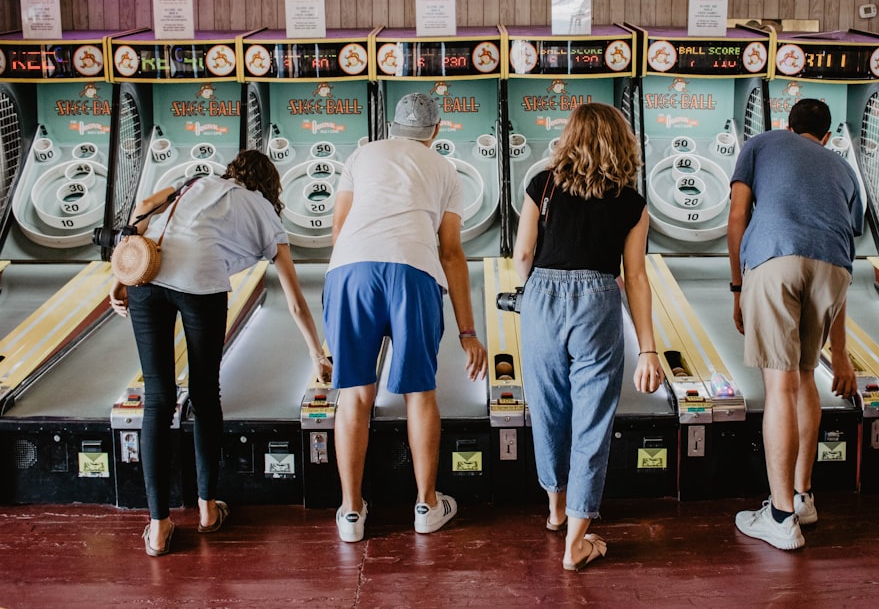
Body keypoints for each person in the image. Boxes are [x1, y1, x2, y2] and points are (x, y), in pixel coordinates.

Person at [109, 150, 332, 557]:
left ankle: (158, 528)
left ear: (232, 170)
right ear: (270, 184)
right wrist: (316, 353)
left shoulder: (196, 181)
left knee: (157, 401)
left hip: (148, 276)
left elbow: (142, 209)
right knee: (204, 394)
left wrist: (120, 274)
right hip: (202, 282)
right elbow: (296, 300)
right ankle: (208, 509)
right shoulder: (265, 211)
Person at [324, 92, 487, 543]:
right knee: (419, 392)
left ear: (393, 126)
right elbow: (452, 252)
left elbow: (338, 230)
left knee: (355, 395)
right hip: (414, 271)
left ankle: (352, 513)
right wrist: (468, 332)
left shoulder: (362, 154)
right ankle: (426, 506)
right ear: (436, 131)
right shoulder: (445, 170)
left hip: (350, 270)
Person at [512, 102, 664, 571]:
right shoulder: (632, 202)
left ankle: (556, 510)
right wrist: (648, 348)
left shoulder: (543, 185)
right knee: (592, 421)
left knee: (548, 410)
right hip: (598, 298)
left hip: (541, 297)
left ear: (569, 137)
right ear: (623, 142)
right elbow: (635, 277)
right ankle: (576, 538)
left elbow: (522, 254)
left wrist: (530, 296)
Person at [727, 98, 864, 551]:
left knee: (779, 385)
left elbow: (737, 216)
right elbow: (841, 249)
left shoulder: (762, 143)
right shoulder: (844, 170)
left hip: (775, 255)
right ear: (826, 136)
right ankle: (803, 497)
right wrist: (840, 354)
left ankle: (782, 516)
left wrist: (736, 285)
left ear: (787, 125)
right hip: (834, 273)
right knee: (805, 378)